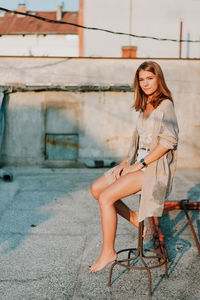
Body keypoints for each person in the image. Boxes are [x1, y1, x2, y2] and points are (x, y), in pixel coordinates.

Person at [89, 61, 179, 273]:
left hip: (152, 169)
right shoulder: (145, 105)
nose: (146, 83)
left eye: (150, 78)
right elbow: (138, 141)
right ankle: (133, 216)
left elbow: (168, 142)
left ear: (159, 79)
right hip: (136, 164)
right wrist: (125, 163)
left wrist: (137, 166)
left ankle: (108, 252)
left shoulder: (166, 105)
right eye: (141, 79)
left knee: (105, 198)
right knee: (96, 189)